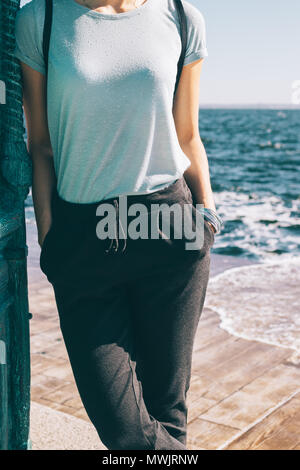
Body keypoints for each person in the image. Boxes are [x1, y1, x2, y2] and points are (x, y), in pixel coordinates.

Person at [14, 0, 222, 450]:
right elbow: (42, 145)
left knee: (168, 412)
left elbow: (187, 134)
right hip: (83, 237)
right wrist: (50, 236)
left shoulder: (183, 18)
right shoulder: (41, 19)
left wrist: (205, 216)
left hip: (170, 228)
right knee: (124, 431)